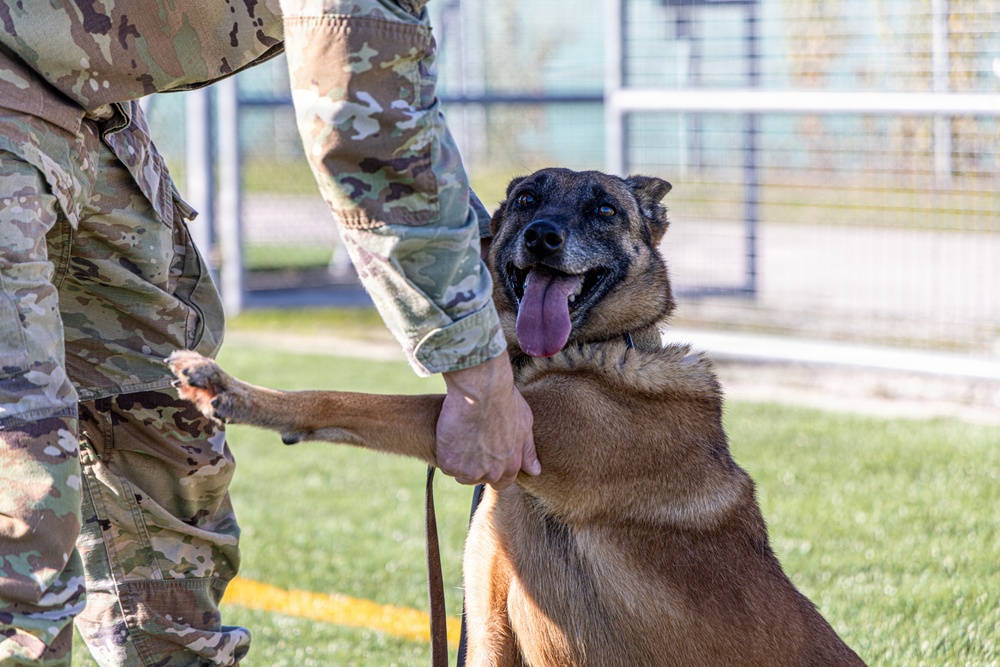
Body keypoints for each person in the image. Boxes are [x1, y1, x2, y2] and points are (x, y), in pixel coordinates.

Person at [0, 0, 538, 664]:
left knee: (158, 425)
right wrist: (480, 380)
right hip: (24, 74)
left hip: (80, 93)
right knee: (20, 510)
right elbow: (370, 131)